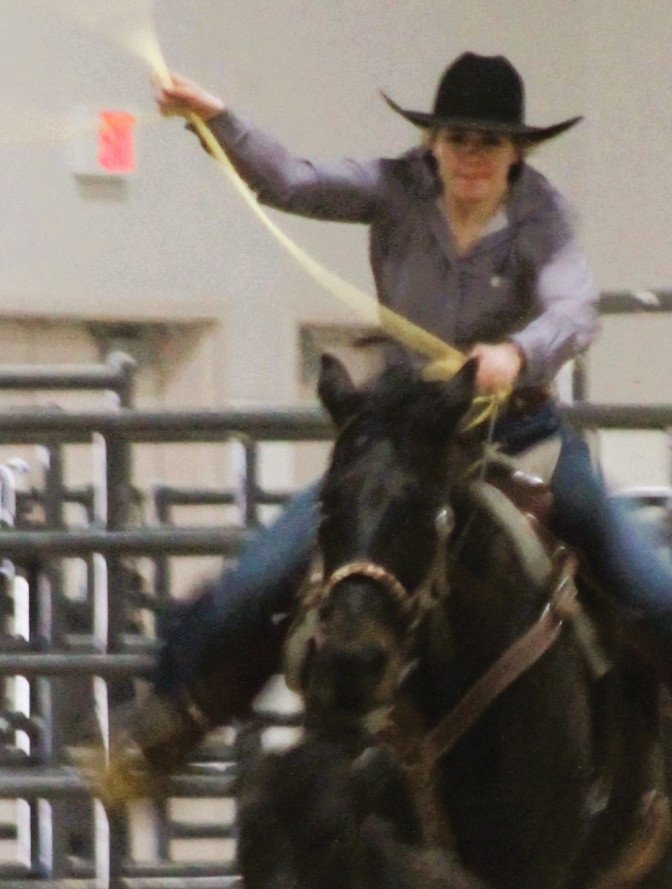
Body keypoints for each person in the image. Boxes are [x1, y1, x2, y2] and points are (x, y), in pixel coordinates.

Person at [136, 52, 672, 773]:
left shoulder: (541, 215)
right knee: (261, 573)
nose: (472, 157)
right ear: (433, 144)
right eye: (457, 139)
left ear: (517, 152)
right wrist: (216, 119)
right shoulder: (393, 190)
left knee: (643, 579)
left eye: (489, 142)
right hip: (407, 435)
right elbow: (288, 180)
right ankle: (161, 725)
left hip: (518, 432)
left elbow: (573, 307)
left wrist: (519, 352)